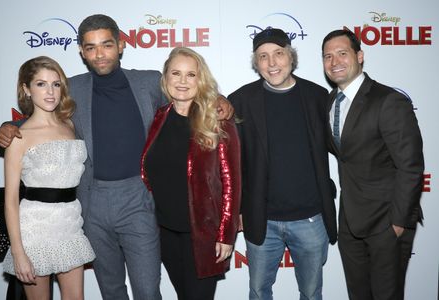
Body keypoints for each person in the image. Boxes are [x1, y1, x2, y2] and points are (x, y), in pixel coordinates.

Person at [0, 14, 233, 300]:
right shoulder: (72, 88)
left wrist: (219, 98)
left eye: (106, 45)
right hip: (92, 203)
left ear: (121, 45)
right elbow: (43, 114)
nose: (99, 54)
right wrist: (11, 126)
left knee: (147, 290)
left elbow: (186, 90)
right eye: (91, 47)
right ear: (82, 52)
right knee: (111, 290)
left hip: (138, 201)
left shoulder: (148, 82)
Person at [228, 28, 337, 300]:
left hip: (311, 219)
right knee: (258, 291)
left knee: (311, 293)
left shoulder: (317, 97)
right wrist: (239, 209)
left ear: (291, 56)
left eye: (278, 54)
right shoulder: (240, 101)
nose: (272, 63)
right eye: (263, 57)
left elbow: (345, 147)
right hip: (262, 220)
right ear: (256, 63)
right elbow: (232, 162)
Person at [321, 29, 424, 300]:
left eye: (342, 53)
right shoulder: (331, 101)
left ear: (360, 56)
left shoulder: (388, 100)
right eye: (327, 56)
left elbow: (410, 165)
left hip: (386, 221)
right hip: (350, 221)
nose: (335, 62)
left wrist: (398, 223)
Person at [140, 47, 241, 300]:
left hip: (204, 236)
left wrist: (226, 234)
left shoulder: (217, 121)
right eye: (176, 73)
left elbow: (232, 183)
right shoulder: (158, 117)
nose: (182, 81)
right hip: (165, 233)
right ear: (165, 78)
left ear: (201, 79)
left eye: (191, 75)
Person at [3, 56, 95, 300]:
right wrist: (18, 252)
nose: (50, 91)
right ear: (26, 89)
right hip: (34, 229)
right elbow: (11, 200)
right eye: (41, 84)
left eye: (56, 84)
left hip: (70, 225)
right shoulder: (19, 137)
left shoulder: (70, 125)